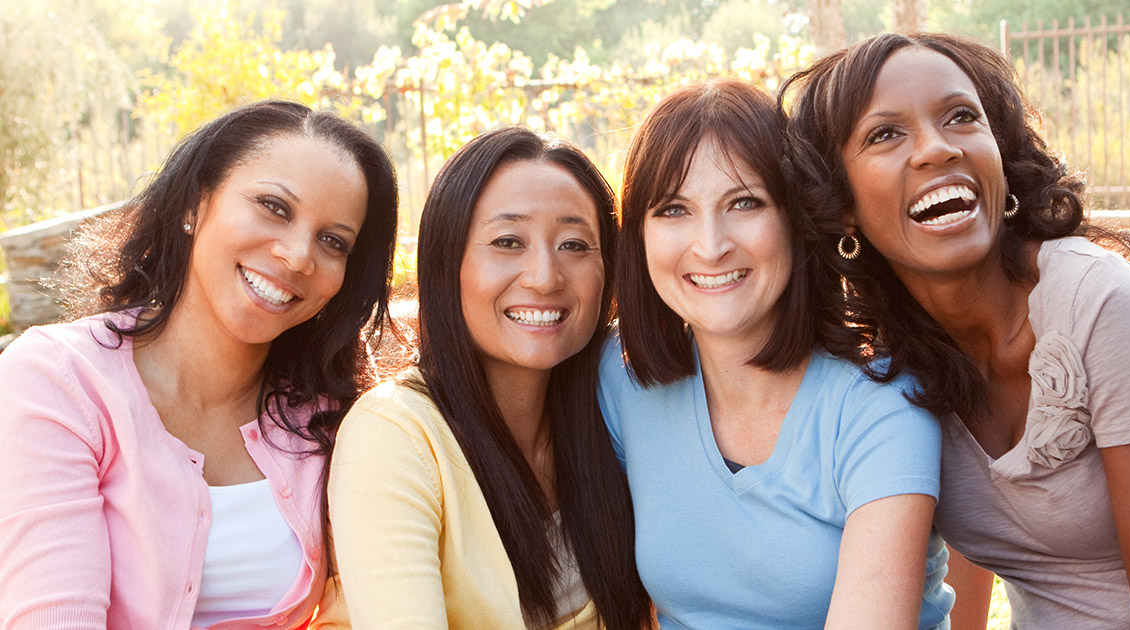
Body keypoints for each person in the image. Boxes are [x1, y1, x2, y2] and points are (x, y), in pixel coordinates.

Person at [782, 31, 1130, 630]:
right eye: (886, 133)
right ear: (840, 202)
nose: (936, 149)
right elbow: (963, 596)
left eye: (960, 117)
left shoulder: (1104, 308)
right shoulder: (893, 358)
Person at [0, 100, 399, 629]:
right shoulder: (58, 380)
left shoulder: (331, 416)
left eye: (333, 241)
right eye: (275, 207)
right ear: (194, 203)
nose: (299, 255)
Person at [599, 77, 953, 629]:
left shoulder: (881, 403)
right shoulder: (622, 379)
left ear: (796, 219)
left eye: (744, 202)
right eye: (673, 210)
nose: (711, 245)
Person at [326, 127, 652, 630]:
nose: (545, 276)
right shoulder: (394, 436)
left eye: (574, 244)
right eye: (507, 241)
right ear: (445, 264)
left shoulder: (616, 415)